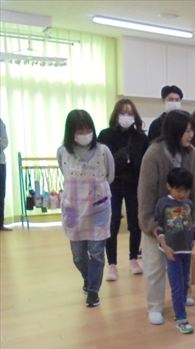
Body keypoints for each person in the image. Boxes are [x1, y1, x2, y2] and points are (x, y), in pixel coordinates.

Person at [138, 110, 195, 326]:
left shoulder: (193, 155)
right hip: (157, 222)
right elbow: (145, 191)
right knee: (154, 266)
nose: (191, 134)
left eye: (191, 130)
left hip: (182, 224)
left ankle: (182, 295)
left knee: (183, 262)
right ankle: (155, 306)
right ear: (174, 131)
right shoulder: (154, 154)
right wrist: (149, 223)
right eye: (186, 130)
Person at [57, 110, 115, 307]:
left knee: (96, 253)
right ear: (71, 132)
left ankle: (93, 291)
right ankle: (88, 278)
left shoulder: (103, 151)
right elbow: (64, 172)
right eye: (79, 130)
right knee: (78, 256)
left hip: (98, 207)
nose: (84, 134)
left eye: (88, 129)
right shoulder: (62, 152)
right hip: (73, 209)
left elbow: (110, 176)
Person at [98, 99, 149, 281]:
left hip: (134, 184)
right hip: (112, 184)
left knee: (135, 222)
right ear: (116, 114)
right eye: (123, 112)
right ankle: (112, 264)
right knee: (112, 223)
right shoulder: (105, 135)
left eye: (130, 113)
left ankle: (134, 258)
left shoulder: (141, 138)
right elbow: (101, 161)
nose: (126, 116)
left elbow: (144, 163)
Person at [155, 167, 195, 334]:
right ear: (169, 187)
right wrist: (164, 246)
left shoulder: (188, 204)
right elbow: (157, 227)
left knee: (185, 283)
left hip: (187, 251)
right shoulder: (163, 204)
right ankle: (181, 318)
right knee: (177, 285)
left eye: (186, 190)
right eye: (178, 190)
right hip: (172, 252)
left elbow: (193, 226)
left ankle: (180, 308)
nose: (182, 194)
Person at [0, 118, 10, 231]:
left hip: (0, 163)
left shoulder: (0, 123)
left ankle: (0, 224)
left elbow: (4, 141)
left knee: (1, 194)